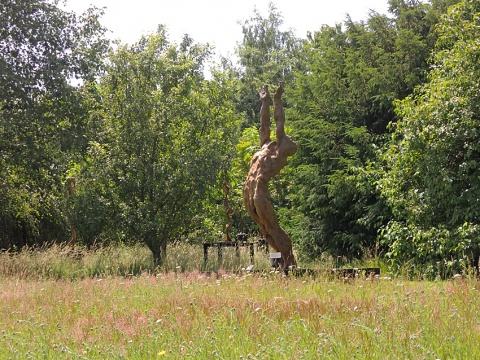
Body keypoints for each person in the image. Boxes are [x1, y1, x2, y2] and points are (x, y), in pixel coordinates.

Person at [243, 83, 297, 268]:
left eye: (285, 138)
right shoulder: (266, 145)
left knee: (272, 228)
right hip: (248, 193)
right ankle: (281, 263)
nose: (282, 136)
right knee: (265, 230)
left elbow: (279, 121)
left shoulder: (278, 154)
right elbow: (264, 123)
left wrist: (277, 100)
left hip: (258, 192)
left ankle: (289, 263)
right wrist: (265, 101)